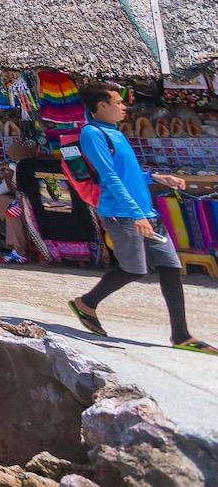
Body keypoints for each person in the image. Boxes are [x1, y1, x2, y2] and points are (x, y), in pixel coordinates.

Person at [67, 84, 213, 355]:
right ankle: (86, 303)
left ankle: (181, 335)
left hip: (145, 211)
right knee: (134, 269)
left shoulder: (114, 132)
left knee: (170, 266)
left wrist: (156, 177)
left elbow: (127, 174)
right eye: (118, 102)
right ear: (102, 106)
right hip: (121, 213)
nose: (124, 107)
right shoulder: (93, 133)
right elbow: (110, 177)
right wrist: (136, 215)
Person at [0, 139, 38, 264]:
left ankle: (19, 252)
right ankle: (16, 247)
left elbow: (21, 187)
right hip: (19, 204)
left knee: (13, 212)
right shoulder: (15, 168)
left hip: (30, 206)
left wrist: (10, 170)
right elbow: (6, 186)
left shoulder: (26, 168)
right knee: (1, 203)